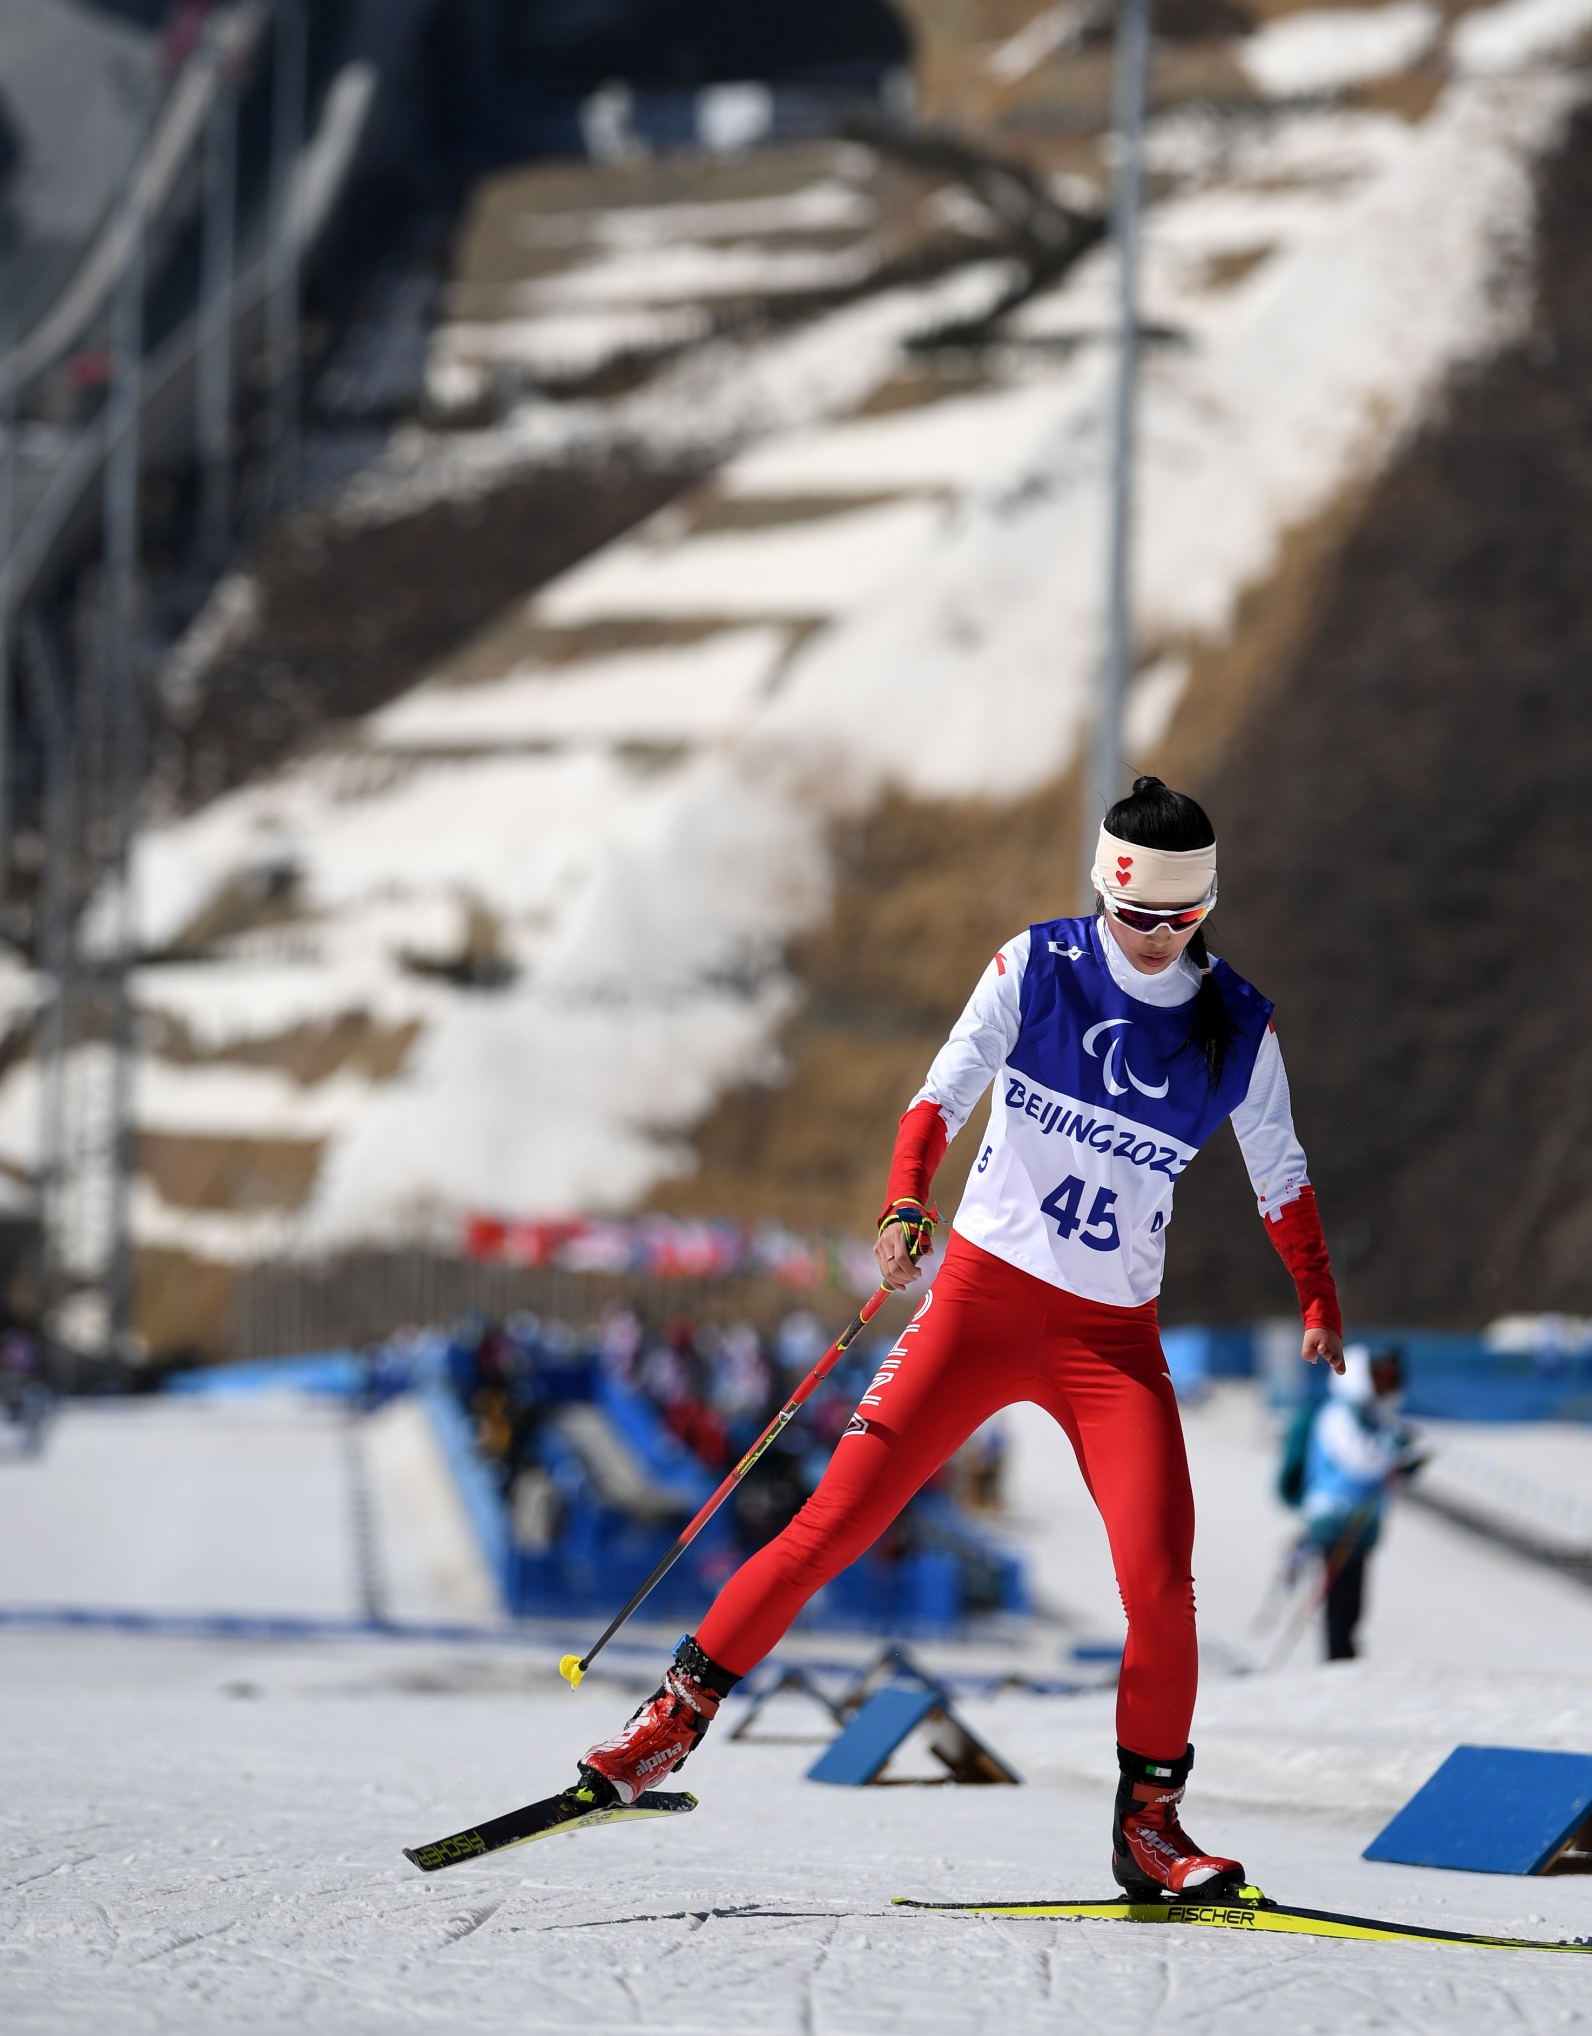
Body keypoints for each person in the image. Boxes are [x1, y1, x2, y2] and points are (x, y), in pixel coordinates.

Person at [572, 776, 1345, 1903]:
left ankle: (1151, 1827)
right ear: (1103, 893)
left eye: (1174, 922)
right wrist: (903, 1204)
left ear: (1203, 908)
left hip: (1109, 1346)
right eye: (1131, 916)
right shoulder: (1036, 965)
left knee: (1159, 1586)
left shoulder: (1239, 1026)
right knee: (832, 1525)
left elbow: (1283, 1177)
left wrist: (1318, 1296)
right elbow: (940, 1097)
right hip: (977, 1310)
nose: (1147, 940)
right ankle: (667, 1726)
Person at [1300, 1345, 1423, 1661]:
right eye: (1379, 1377)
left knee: (1352, 1598)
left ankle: (1343, 1656)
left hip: (1358, 1518)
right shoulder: (1338, 1414)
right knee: (1341, 1597)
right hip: (1336, 1516)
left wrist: (1400, 1457)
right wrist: (1394, 1452)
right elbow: (1361, 1458)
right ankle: (1337, 1659)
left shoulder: (1369, 1414)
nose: (1386, 1385)